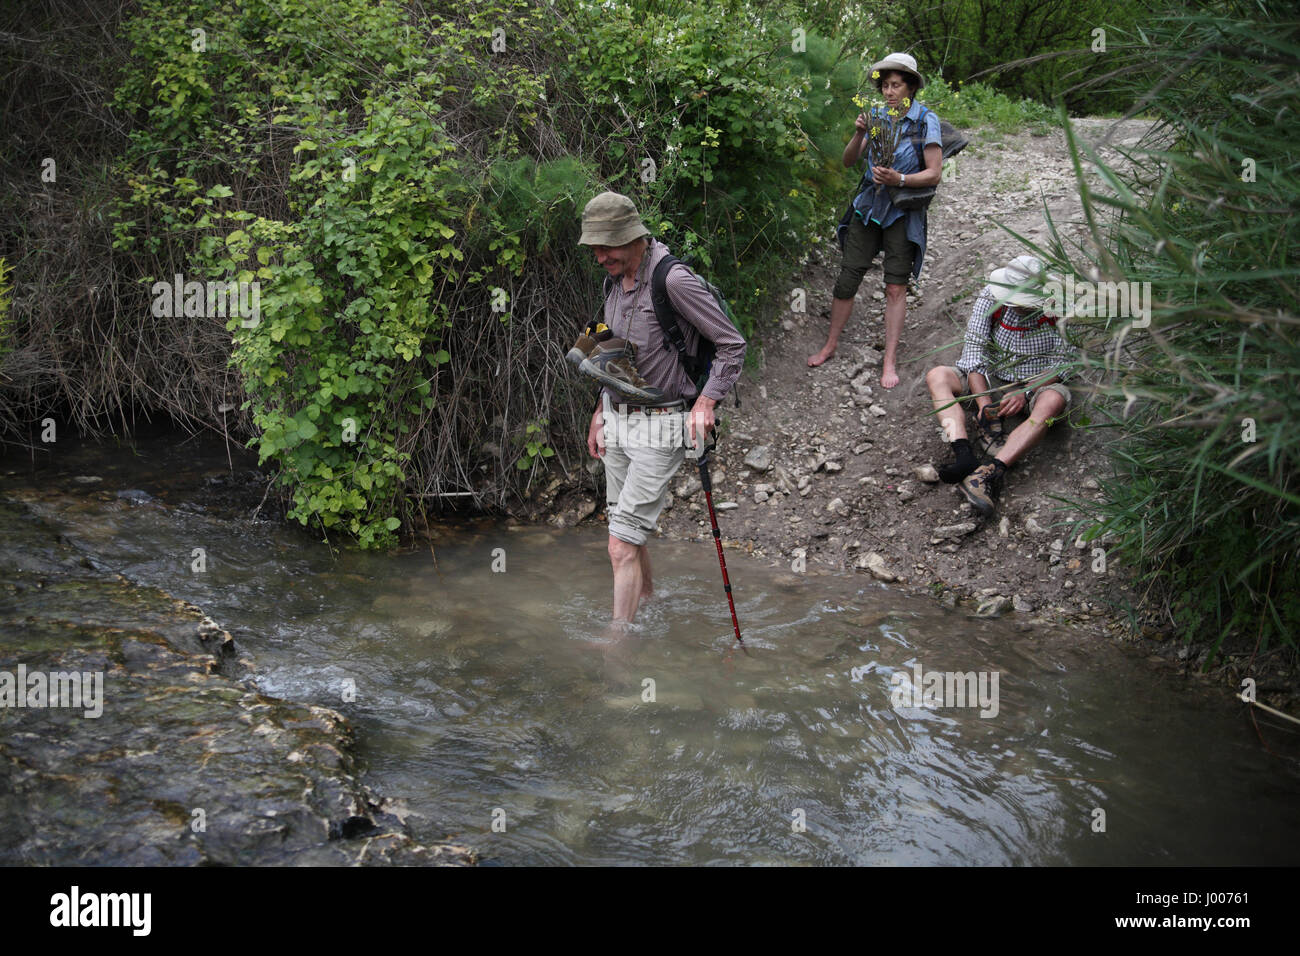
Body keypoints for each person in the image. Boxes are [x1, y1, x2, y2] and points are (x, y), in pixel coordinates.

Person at [574, 191, 746, 624]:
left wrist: (706, 401)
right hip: (616, 420)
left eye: (606, 247)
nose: (599, 257)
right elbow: (609, 353)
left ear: (633, 237)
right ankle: (647, 600)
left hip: (663, 423)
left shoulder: (673, 281)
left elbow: (732, 344)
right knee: (623, 529)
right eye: (594, 249)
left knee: (620, 544)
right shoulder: (613, 280)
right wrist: (598, 413)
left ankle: (617, 649)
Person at [809, 52, 943, 389]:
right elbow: (847, 161)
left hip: (902, 211)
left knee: (896, 286)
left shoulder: (926, 121)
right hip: (867, 207)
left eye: (896, 85)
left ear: (910, 87)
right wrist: (858, 134)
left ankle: (889, 361)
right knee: (847, 277)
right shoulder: (876, 117)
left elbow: (934, 173)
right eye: (884, 86)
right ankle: (830, 345)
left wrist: (898, 179)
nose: (889, 92)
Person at [924, 254, 1078, 517]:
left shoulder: (1058, 303)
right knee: (937, 376)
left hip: (1036, 382)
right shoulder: (990, 296)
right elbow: (974, 352)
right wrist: (984, 404)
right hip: (991, 377)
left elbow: (1064, 362)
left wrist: (1025, 391)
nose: (1017, 307)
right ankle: (963, 454)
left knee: (1053, 402)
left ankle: (990, 473)